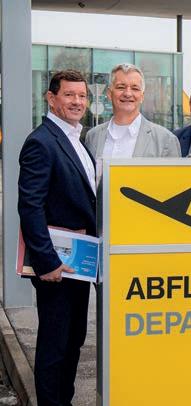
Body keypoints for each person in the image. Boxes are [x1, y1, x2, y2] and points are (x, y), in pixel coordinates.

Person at [18, 70, 97, 405]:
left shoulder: (76, 138)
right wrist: (47, 261)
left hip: (78, 262)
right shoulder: (42, 141)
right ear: (51, 99)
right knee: (55, 346)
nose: (77, 102)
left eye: (82, 96)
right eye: (69, 95)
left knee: (73, 340)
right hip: (57, 266)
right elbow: (30, 206)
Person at [85, 63, 180, 158]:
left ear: (142, 96)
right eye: (121, 87)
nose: (128, 94)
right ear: (109, 94)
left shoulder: (165, 140)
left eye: (135, 88)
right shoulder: (93, 137)